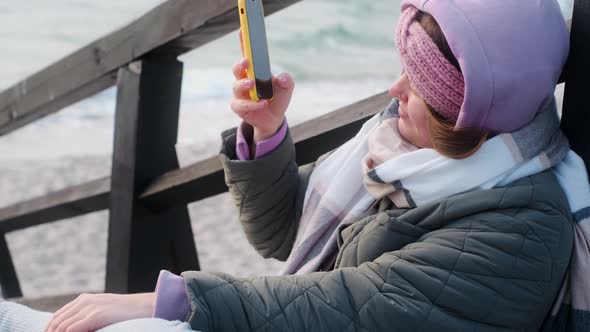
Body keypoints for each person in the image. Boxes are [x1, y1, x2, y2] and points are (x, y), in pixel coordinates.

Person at [2, 0, 588, 331]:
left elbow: (345, 307)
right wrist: (266, 137)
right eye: (401, 66)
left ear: (477, 110)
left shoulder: (521, 234)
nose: (394, 88)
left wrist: (176, 298)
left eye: (421, 87)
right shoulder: (399, 148)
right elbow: (283, 233)